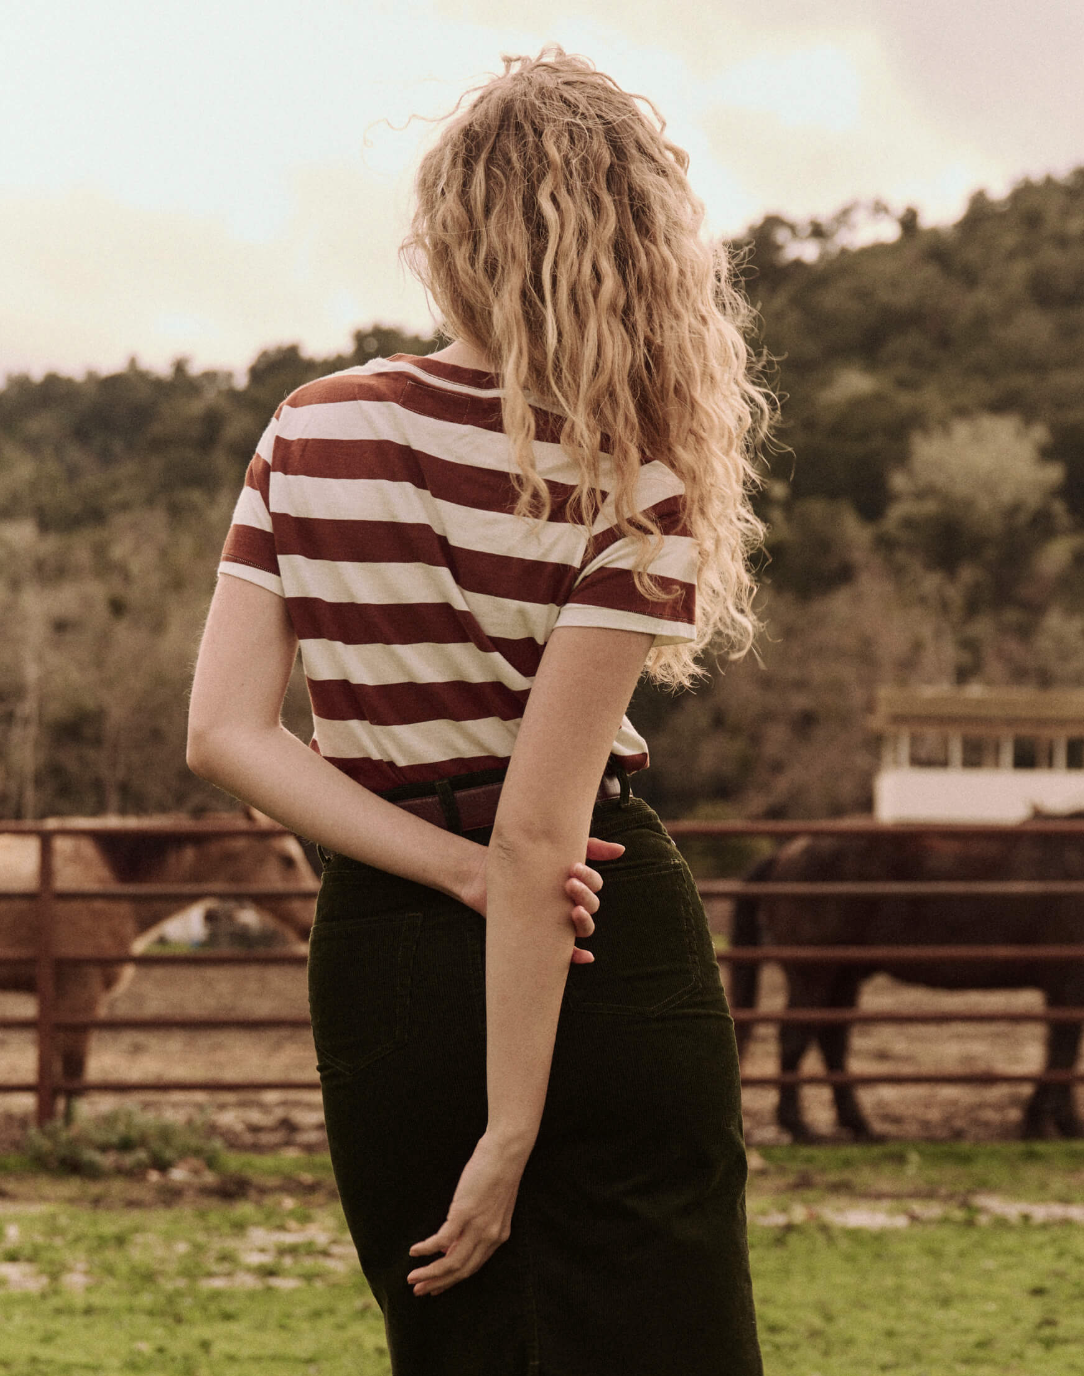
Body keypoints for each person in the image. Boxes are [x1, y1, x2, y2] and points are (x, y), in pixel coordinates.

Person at [188, 46, 770, 1376]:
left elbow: (226, 734)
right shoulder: (634, 478)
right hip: (601, 938)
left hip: (389, 949)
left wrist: (439, 867)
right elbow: (537, 845)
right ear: (631, 249)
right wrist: (510, 1135)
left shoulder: (307, 431)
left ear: (450, 226)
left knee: (453, 1345)